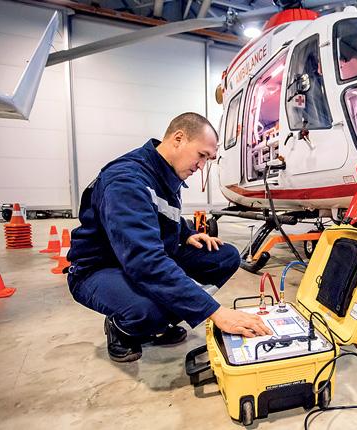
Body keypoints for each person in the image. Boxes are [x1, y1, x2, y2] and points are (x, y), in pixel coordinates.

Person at [67, 112, 272, 363]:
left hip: (139, 258)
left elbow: (163, 215)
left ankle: (162, 316)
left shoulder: (166, 173)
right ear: (178, 139)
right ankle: (122, 327)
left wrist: (187, 234)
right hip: (101, 268)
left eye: (208, 159)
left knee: (225, 257)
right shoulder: (127, 181)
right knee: (150, 310)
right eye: (201, 155)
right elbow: (145, 262)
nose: (201, 166)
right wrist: (215, 312)